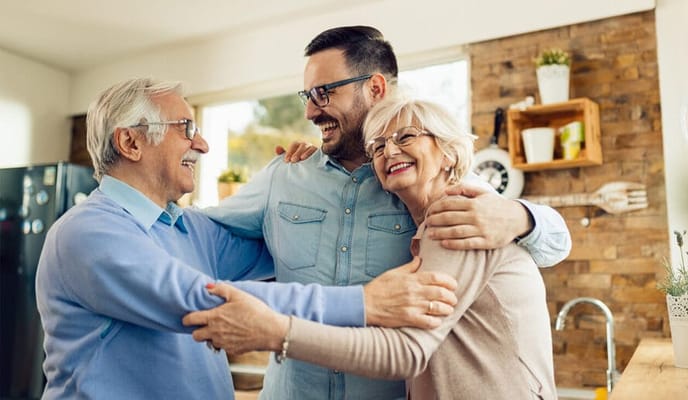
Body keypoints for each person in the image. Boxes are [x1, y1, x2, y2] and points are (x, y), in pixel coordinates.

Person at [202, 26, 569, 399]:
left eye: (322, 93)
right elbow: (204, 237)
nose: (310, 110)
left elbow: (556, 243)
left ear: (375, 88)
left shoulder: (457, 204)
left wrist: (521, 216)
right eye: (379, 146)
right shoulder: (287, 174)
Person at [34, 77, 458, 400]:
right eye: (186, 127)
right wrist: (367, 303)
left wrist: (313, 183)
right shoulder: (87, 233)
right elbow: (208, 302)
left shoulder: (187, 229)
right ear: (130, 142)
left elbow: (297, 239)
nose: (201, 144)